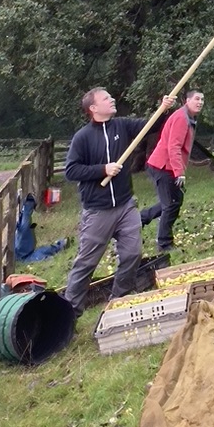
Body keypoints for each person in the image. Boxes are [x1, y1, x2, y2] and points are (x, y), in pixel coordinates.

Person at [63, 87, 174, 315]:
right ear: (93, 108)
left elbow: (149, 126)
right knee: (86, 263)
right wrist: (102, 169)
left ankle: (119, 299)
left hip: (125, 205)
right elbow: (71, 171)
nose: (112, 99)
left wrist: (163, 110)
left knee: (132, 254)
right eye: (106, 98)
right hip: (98, 211)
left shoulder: (121, 125)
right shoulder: (83, 137)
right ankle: (70, 312)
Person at [140, 90, 204, 252]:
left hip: (166, 167)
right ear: (187, 100)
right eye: (196, 99)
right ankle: (164, 244)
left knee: (173, 201)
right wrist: (179, 173)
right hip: (162, 167)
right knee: (170, 205)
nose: (200, 102)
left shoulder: (188, 117)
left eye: (202, 100)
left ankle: (139, 219)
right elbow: (173, 147)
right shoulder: (181, 118)